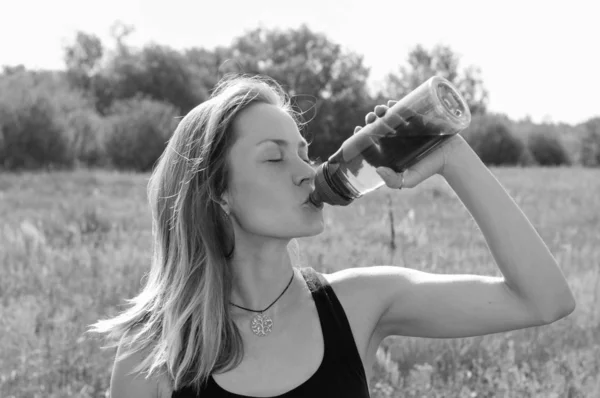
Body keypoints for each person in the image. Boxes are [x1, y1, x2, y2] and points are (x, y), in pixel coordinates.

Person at [91, 74, 576, 398]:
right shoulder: (151, 355)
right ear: (217, 191)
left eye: (304, 152)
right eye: (274, 157)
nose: (306, 171)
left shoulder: (359, 303)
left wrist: (452, 156)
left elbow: (543, 301)